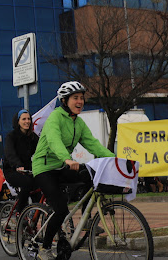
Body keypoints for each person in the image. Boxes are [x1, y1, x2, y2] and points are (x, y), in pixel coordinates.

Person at [32, 82, 115, 260]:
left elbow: (93, 144)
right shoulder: (55, 117)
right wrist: (67, 158)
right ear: (64, 100)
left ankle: (86, 223)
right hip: (44, 168)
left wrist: (114, 159)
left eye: (82, 98)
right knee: (61, 210)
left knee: (90, 176)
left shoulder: (78, 122)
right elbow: (54, 140)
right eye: (75, 98)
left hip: (63, 166)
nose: (80, 101)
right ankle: (44, 248)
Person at [4, 108, 39, 213]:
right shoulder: (11, 136)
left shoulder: (33, 137)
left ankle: (36, 214)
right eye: (24, 119)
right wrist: (17, 164)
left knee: (39, 185)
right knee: (27, 183)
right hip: (12, 170)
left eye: (28, 119)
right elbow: (10, 153)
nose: (27, 121)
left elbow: (41, 150)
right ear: (18, 121)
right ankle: (21, 212)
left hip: (27, 169)